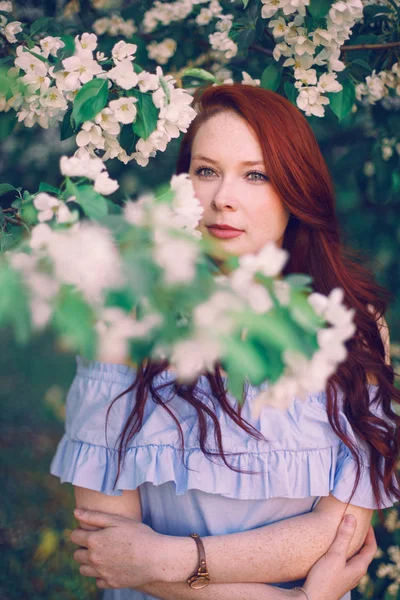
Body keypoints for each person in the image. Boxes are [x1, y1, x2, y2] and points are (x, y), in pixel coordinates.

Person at [50, 84, 400, 600]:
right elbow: (113, 551)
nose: (222, 198)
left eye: (255, 175)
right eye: (205, 171)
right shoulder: (124, 323)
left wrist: (171, 558)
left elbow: (337, 532)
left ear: (295, 191)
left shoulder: (353, 326)